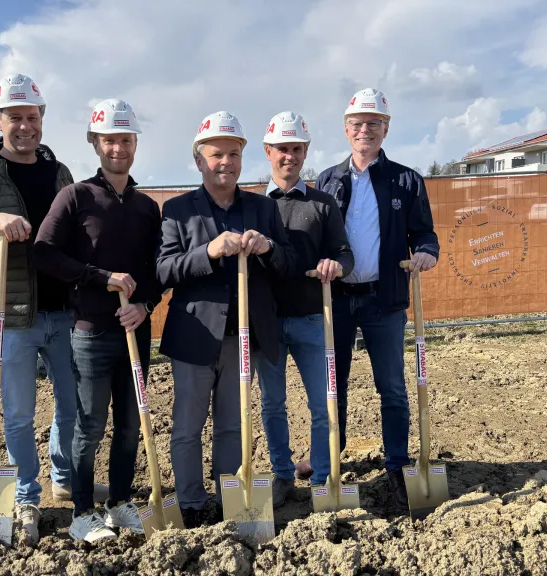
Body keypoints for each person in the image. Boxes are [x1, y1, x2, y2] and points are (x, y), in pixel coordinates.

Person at [0, 74, 107, 544]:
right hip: (12, 316)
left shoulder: (59, 173)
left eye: (32, 117)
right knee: (16, 413)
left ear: (42, 119)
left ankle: (62, 480)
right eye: (15, 117)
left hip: (64, 311)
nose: (24, 126)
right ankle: (25, 494)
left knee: (71, 408)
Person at [155, 111, 296, 527]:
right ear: (200, 160)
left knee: (233, 426)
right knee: (187, 425)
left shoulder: (263, 208)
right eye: (217, 154)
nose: (226, 162)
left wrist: (268, 246)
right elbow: (164, 271)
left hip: (242, 337)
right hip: (195, 337)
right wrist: (209, 253)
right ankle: (192, 504)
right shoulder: (178, 210)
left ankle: (229, 500)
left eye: (234, 154)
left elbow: (287, 264)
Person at [34, 99, 162, 543]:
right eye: (109, 139)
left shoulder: (147, 208)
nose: (118, 148)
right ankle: (84, 512)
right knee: (89, 425)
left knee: (130, 423)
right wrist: (100, 277)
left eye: (126, 139)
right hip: (90, 332)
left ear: (134, 143)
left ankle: (121, 501)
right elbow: (44, 252)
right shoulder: (76, 197)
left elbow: (155, 269)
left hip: (135, 330)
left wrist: (145, 304)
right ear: (95, 142)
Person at [310, 89, 439, 509]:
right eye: (357, 124)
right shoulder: (328, 180)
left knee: (393, 387)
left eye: (374, 123)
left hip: (385, 301)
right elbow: (318, 238)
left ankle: (397, 464)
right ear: (347, 129)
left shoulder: (406, 179)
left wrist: (425, 251)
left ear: (386, 128)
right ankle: (332, 458)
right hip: (338, 300)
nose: (365, 130)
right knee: (334, 385)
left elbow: (423, 232)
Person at [257, 112, 354, 508]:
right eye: (282, 148)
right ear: (268, 151)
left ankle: (323, 475)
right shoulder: (254, 206)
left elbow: (345, 253)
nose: (289, 156)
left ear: (305, 152)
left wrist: (337, 266)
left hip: (315, 318)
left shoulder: (322, 204)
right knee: (272, 403)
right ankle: (282, 474)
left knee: (322, 402)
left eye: (297, 149)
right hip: (266, 321)